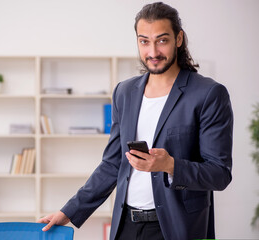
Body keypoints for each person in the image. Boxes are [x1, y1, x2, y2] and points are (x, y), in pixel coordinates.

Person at [37, 2, 233, 240]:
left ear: (178, 39)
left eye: (162, 40)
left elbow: (219, 174)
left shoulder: (208, 94)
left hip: (177, 228)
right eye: (144, 41)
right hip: (125, 227)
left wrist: (170, 165)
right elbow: (112, 164)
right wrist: (68, 212)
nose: (153, 52)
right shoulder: (124, 92)